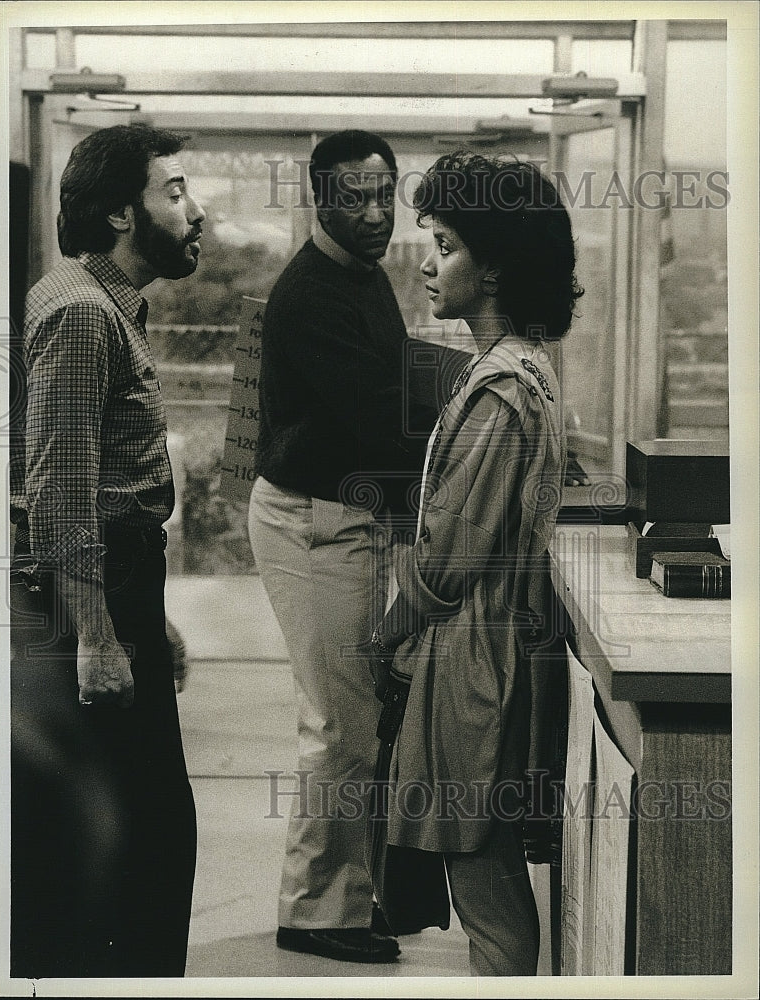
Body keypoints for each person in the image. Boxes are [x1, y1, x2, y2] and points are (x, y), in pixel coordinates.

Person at [366, 152, 582, 975]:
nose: (426, 262)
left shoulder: (500, 388)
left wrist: (387, 633)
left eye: (446, 244)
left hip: (474, 668)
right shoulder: (523, 370)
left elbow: (449, 559)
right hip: (482, 655)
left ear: (492, 267)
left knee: (486, 897)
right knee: (481, 888)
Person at [9, 123, 205, 977]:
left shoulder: (94, 300)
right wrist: (95, 632)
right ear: (125, 214)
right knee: (147, 838)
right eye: (175, 192)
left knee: (145, 830)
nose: (194, 212)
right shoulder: (86, 313)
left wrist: (141, 620)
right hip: (94, 587)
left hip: (120, 581)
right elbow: (60, 493)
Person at [248, 130, 434, 963]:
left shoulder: (362, 277)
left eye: (382, 196)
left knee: (353, 719)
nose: (371, 214)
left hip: (339, 517)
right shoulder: (312, 293)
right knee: (339, 725)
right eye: (353, 198)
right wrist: (472, 423)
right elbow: (376, 417)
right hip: (312, 521)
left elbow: (394, 379)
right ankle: (318, 915)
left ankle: (347, 898)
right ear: (319, 197)